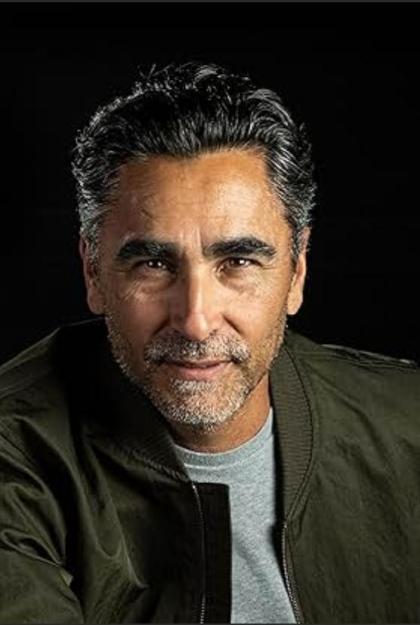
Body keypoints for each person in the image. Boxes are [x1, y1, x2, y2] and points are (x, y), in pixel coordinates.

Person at [0, 62, 419, 625]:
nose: (195, 321)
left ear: (297, 271)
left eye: (238, 261)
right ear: (93, 272)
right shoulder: (14, 456)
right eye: (153, 264)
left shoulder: (408, 424)